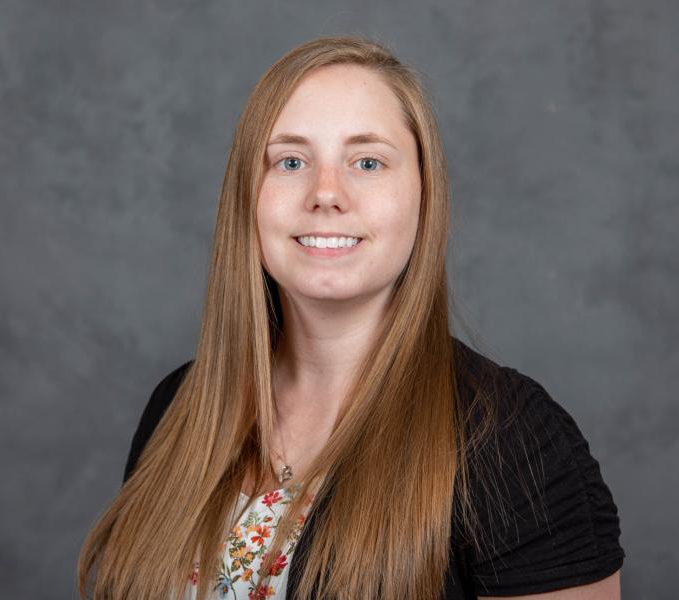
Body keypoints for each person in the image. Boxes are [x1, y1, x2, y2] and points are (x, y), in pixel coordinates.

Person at [78, 35, 624, 599]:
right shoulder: (182, 406)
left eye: (367, 161)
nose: (326, 193)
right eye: (290, 160)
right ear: (248, 196)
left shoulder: (511, 439)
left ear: (423, 193)